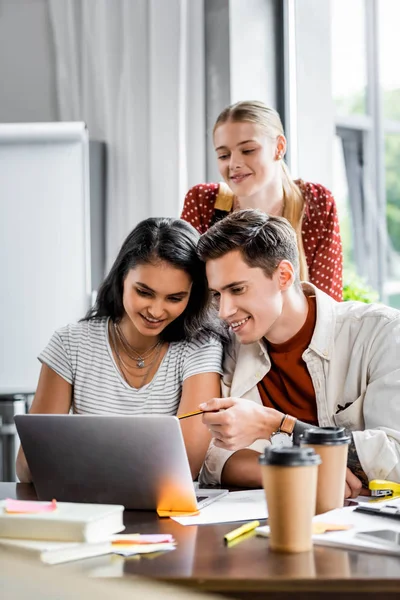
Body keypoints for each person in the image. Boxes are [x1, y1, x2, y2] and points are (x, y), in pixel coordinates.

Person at [196, 209, 400, 498]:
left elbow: (395, 455)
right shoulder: (232, 346)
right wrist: (301, 473)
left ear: (283, 275)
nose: (224, 311)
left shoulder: (382, 332)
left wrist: (275, 424)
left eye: (237, 289)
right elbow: (215, 461)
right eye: (217, 294)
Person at [16, 217, 224, 483]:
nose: (156, 311)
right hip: (86, 507)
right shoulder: (70, 343)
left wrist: (83, 462)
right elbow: (28, 467)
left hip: (163, 512)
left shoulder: (200, 347)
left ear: (192, 296)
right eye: (144, 292)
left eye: (174, 298)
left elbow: (185, 466)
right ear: (122, 278)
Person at [181, 100, 343, 302]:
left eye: (248, 150)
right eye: (223, 155)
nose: (234, 164)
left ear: (279, 147)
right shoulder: (204, 201)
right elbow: (185, 287)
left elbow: (327, 302)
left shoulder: (315, 203)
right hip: (221, 330)